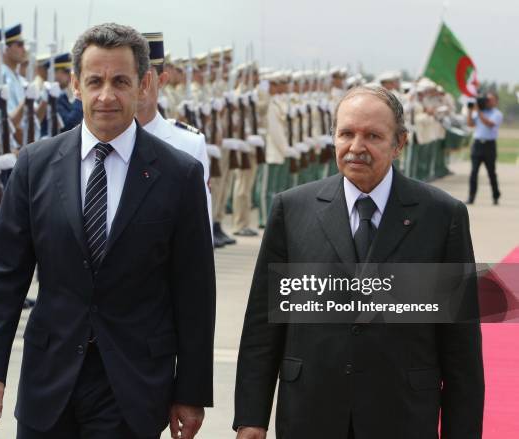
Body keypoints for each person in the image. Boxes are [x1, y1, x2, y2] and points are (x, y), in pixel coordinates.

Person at [0, 23, 215, 439]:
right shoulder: (35, 165)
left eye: (121, 81)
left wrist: (190, 390)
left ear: (144, 84)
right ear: (75, 86)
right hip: (48, 383)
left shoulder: (179, 174)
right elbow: (3, 274)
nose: (107, 96)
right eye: (95, 81)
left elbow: (193, 290)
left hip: (134, 387)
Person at [233, 85, 484, 438]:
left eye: (373, 136)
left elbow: (461, 344)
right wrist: (251, 416)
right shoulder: (292, 210)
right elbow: (263, 325)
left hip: (402, 416)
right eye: (346, 133)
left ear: (399, 144)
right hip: (311, 414)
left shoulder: (442, 217)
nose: (356, 147)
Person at [137, 32, 212, 231]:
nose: (138, 85)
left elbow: (200, 229)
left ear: (161, 80)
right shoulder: (102, 143)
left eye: (146, 77)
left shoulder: (189, 145)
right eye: (128, 76)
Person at [466, 91, 502, 205]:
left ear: (496, 102)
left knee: (491, 173)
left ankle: (496, 196)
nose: (488, 102)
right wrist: (470, 110)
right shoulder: (479, 112)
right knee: (474, 173)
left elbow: (489, 123)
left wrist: (479, 111)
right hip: (477, 145)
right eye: (487, 99)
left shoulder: (497, 113)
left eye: (490, 100)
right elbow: (470, 124)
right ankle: (471, 197)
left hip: (489, 146)